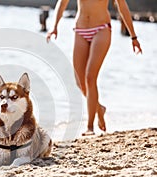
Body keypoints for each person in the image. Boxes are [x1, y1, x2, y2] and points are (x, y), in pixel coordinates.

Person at [46, 0, 142, 135]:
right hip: (80, 29)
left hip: (101, 29)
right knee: (80, 82)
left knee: (90, 78)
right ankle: (99, 109)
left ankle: (90, 127)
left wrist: (133, 37)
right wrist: (54, 26)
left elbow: (122, 6)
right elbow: (62, 3)